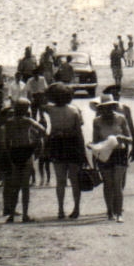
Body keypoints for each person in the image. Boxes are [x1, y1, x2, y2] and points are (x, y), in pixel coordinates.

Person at [43, 83, 87, 219]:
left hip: (57, 144)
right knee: (74, 180)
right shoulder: (74, 110)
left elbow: (39, 102)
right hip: (73, 144)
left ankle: (61, 210)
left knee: (60, 180)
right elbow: (79, 132)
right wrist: (83, 152)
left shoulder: (49, 109)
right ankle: (76, 208)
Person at [90, 93, 134, 221]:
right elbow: (95, 141)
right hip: (105, 154)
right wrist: (92, 149)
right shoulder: (97, 121)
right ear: (100, 109)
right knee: (108, 183)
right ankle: (110, 211)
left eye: (110, 107)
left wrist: (122, 138)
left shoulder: (121, 119)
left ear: (113, 107)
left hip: (119, 152)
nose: (107, 110)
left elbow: (130, 139)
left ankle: (119, 213)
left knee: (117, 183)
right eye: (104, 107)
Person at [0, 98, 46, 222]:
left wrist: (9, 153)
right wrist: (36, 141)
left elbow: (6, 141)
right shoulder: (28, 121)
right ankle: (25, 215)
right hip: (26, 150)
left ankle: (11, 215)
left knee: (15, 186)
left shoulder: (9, 122)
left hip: (14, 152)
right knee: (25, 186)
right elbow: (43, 130)